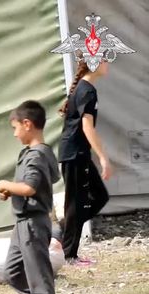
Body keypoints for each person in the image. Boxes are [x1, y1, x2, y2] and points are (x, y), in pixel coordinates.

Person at [0, 100, 73, 294]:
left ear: (27, 124)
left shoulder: (38, 155)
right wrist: (13, 191)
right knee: (13, 272)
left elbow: (29, 187)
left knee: (39, 275)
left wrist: (6, 185)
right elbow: (32, 186)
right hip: (22, 222)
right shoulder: (33, 153)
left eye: (15, 127)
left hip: (32, 222)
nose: (14, 133)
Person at [58, 58, 111, 266]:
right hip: (74, 154)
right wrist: (103, 158)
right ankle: (68, 254)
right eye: (105, 59)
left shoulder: (84, 88)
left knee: (99, 197)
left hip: (78, 154)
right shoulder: (87, 90)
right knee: (75, 204)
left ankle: (63, 230)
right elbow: (87, 127)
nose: (108, 64)